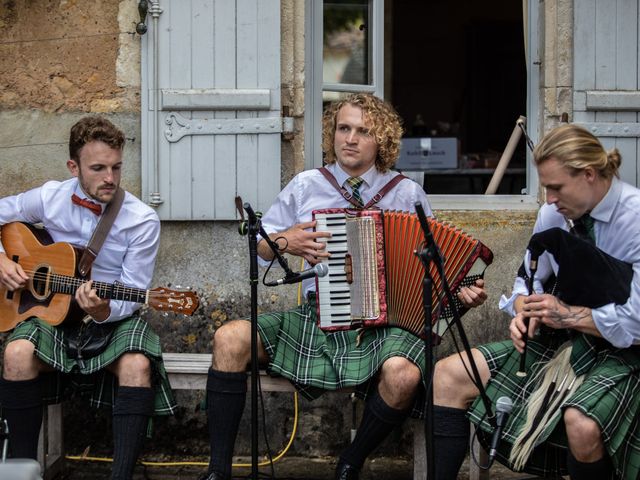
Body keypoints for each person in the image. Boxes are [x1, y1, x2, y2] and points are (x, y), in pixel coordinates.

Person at [200, 93, 487, 480]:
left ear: (380, 140)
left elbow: (437, 267)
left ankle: (351, 461)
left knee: (404, 375)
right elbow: (260, 250)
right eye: (343, 128)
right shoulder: (306, 185)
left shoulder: (405, 193)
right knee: (229, 338)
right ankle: (217, 471)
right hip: (316, 318)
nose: (349, 138)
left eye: (362, 131)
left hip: (385, 327)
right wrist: (287, 241)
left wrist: (461, 291)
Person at [433, 123, 640, 480]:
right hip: (563, 343)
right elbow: (526, 278)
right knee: (448, 374)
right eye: (545, 187)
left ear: (589, 174)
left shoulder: (634, 219)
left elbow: (636, 323)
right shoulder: (553, 214)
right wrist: (521, 308)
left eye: (556, 187)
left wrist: (567, 315)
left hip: (626, 353)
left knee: (581, 422)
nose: (548, 199)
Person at [0, 116, 177, 480]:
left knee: (137, 366)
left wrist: (104, 309)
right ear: (73, 166)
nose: (110, 178)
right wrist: (1, 260)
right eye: (98, 168)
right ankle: (20, 470)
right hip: (54, 317)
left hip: (109, 319)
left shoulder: (141, 220)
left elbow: (132, 293)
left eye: (116, 167)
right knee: (16, 353)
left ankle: (121, 475)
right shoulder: (50, 197)